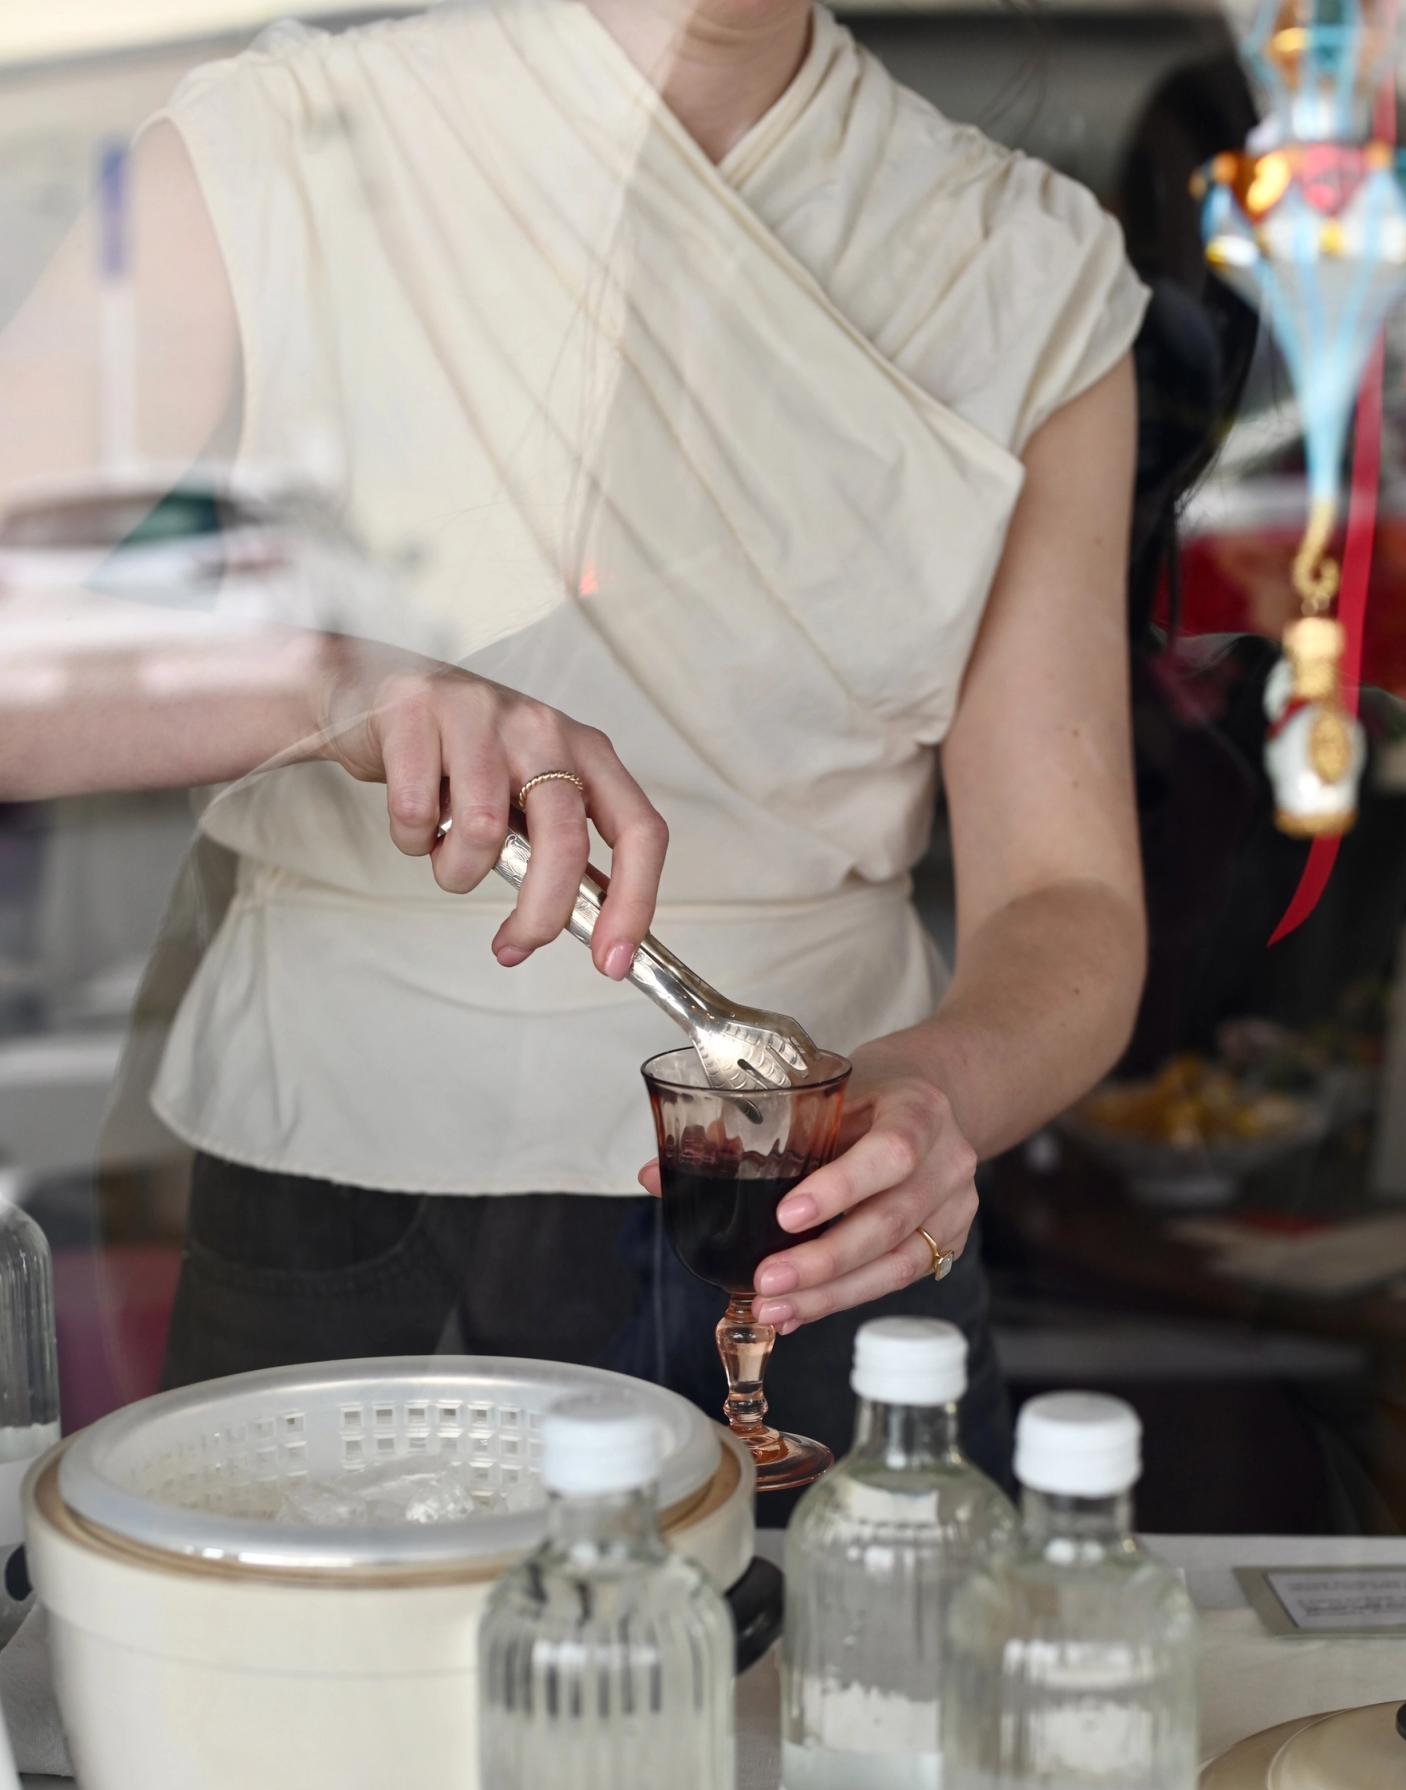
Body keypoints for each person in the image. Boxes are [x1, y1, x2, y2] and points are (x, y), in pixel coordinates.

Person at [0, 0, 1151, 1482]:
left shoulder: (1031, 269)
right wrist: (323, 687)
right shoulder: (262, 150)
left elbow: (1071, 902)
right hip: (340, 1181)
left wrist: (933, 1101)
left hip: (816, 1221)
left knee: (848, 1692)